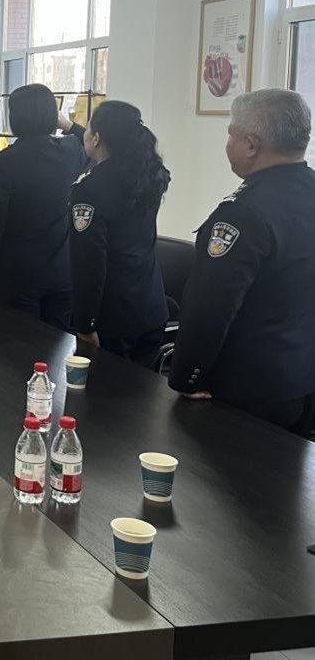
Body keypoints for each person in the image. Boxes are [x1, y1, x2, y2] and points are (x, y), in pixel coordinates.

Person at [169, 89, 315, 437]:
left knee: (226, 471)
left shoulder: (242, 215)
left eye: (231, 133)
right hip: (302, 377)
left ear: (251, 144)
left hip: (246, 388)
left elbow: (210, 306)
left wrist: (187, 376)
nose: (228, 143)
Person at [0, 84, 90, 330]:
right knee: (58, 343)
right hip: (62, 271)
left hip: (18, 272)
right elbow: (90, 143)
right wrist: (68, 124)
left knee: (20, 343)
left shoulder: (5, 162)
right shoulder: (71, 150)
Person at [68, 100, 171, 368]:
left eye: (88, 128)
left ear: (97, 138)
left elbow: (89, 262)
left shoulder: (90, 189)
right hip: (150, 304)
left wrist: (85, 323)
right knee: (141, 390)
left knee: (106, 391)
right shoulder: (149, 176)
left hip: (112, 314)